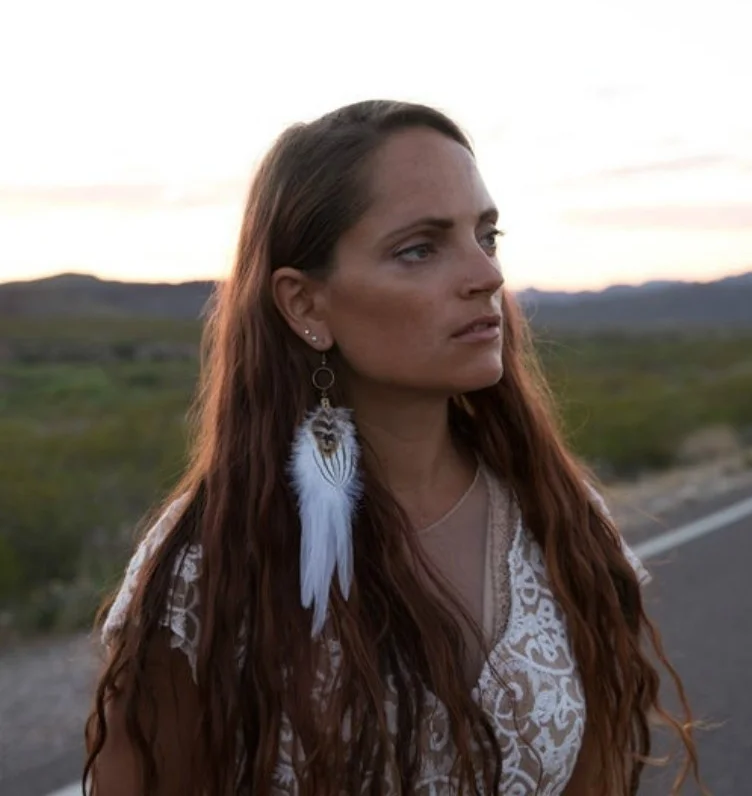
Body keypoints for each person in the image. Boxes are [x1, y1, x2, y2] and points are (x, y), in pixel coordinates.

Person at [84, 100, 702, 795]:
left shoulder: (558, 517)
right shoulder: (211, 560)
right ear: (306, 306)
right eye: (420, 249)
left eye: (487, 237)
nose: (487, 277)